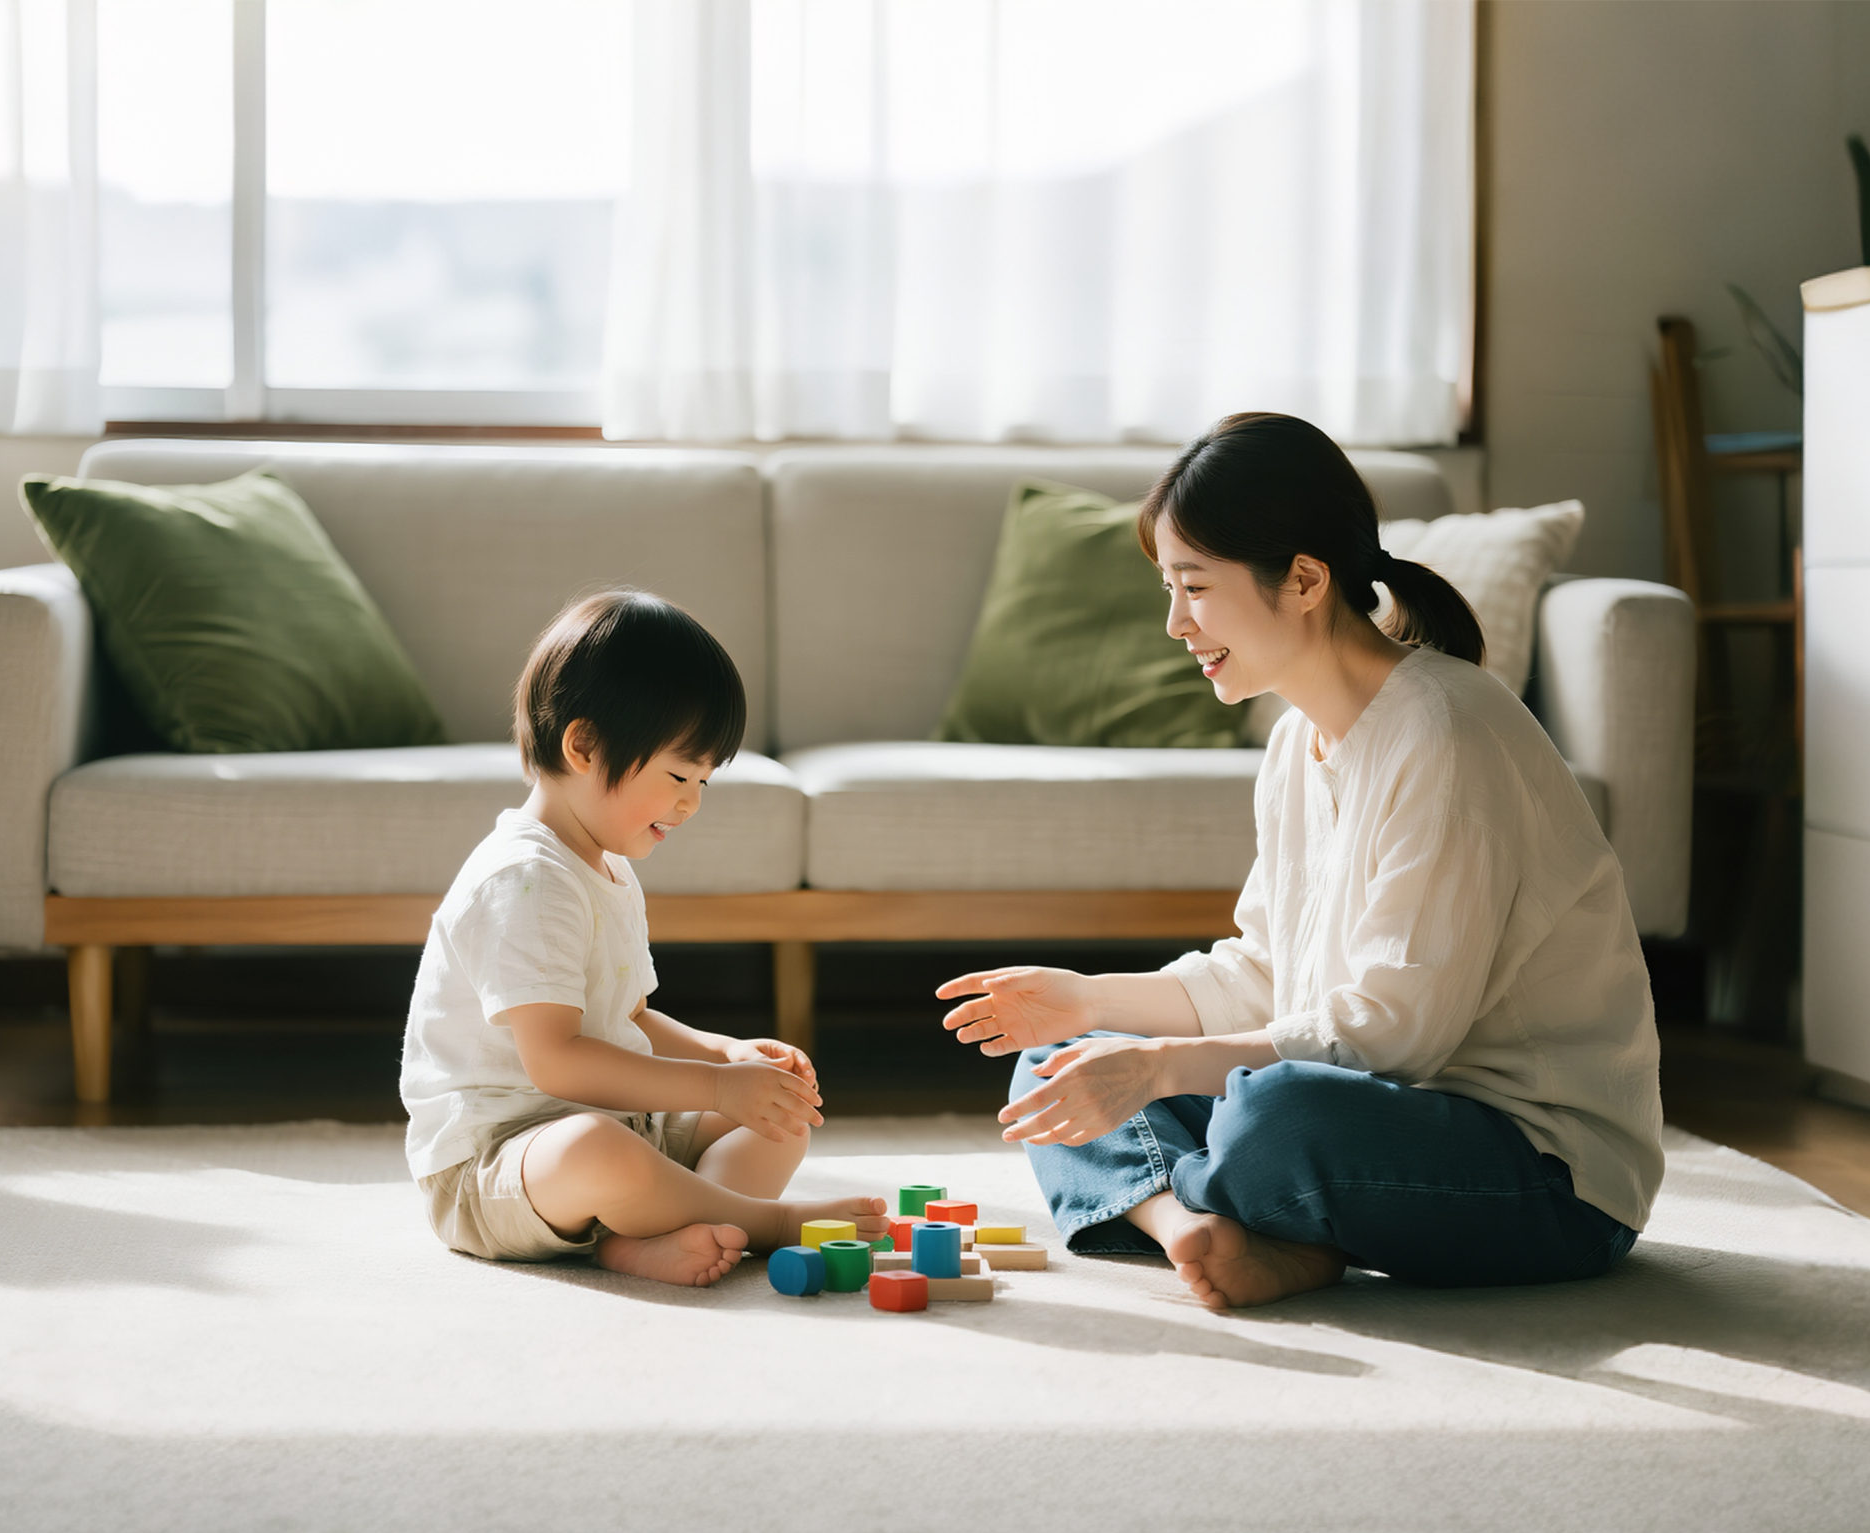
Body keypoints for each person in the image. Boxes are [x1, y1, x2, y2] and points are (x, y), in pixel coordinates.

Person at [937, 412, 1662, 1308]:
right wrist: (1089, 1001)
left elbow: (1395, 1035)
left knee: (1271, 1114)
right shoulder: (1295, 742)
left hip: (1543, 1175)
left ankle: (1212, 1208)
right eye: (1169, 589)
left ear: (1306, 580)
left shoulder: (1448, 732)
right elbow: (1264, 974)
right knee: (1062, 1061)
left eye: (1195, 587)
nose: (1175, 623)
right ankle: (1189, 1225)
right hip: (1374, 1110)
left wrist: (1159, 1069)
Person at [401, 590, 885, 1286]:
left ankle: (656, 1235)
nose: (692, 802)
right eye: (680, 775)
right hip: (496, 1166)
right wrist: (715, 1087)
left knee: (780, 1120)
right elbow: (557, 1062)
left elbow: (628, 1019)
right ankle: (763, 1222)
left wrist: (728, 1057)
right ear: (583, 746)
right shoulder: (525, 881)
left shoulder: (608, 868)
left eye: (704, 781)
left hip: (621, 1125)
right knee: (599, 1150)